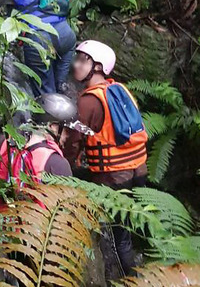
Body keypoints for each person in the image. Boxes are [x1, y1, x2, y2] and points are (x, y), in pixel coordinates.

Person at [63, 40, 149, 275]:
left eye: (83, 60)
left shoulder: (89, 100)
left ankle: (128, 279)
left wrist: (64, 167)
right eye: (77, 58)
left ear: (98, 67)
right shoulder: (120, 90)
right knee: (129, 228)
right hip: (138, 169)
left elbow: (73, 142)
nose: (76, 65)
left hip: (114, 175)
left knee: (120, 238)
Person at [0, 93, 76, 214]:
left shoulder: (4, 143)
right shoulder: (57, 164)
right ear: (52, 127)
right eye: (66, 130)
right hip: (33, 230)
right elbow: (67, 214)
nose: (68, 136)